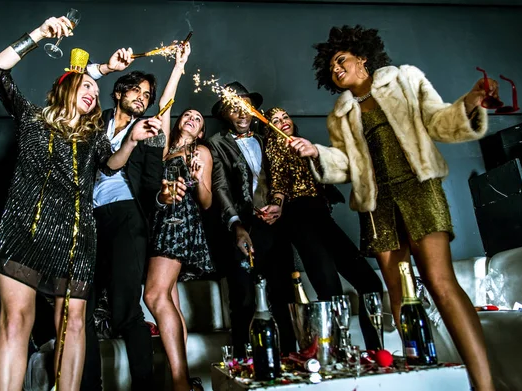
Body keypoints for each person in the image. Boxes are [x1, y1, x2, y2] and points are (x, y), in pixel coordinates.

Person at [291, 25, 495, 390]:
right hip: (376, 204)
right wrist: (316, 153)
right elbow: (345, 165)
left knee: (440, 283)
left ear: (362, 57)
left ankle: (485, 384)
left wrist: (469, 102)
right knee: (399, 295)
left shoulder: (405, 80)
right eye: (331, 68)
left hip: (418, 188)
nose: (336, 70)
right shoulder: (338, 116)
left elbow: (438, 121)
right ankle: (426, 379)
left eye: (342, 60)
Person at [0, 16, 161, 391]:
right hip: (23, 231)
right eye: (86, 87)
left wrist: (131, 141)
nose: (93, 94)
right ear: (65, 88)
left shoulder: (93, 137)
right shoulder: (31, 117)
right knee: (15, 321)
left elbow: (110, 164)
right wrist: (38, 34)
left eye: (96, 93)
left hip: (75, 238)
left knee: (75, 325)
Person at [80, 43, 191, 390]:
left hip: (127, 218)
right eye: (136, 90)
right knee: (79, 312)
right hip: (87, 222)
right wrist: (107, 67)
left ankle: (145, 387)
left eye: (147, 94)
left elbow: (167, 108)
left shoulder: (149, 132)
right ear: (117, 93)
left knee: (126, 310)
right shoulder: (92, 120)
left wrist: (178, 67)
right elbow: (74, 84)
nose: (143, 98)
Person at [263, 106, 384, 351]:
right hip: (298, 217)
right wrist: (277, 204)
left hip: (321, 216)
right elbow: (280, 178)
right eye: (275, 120)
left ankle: (374, 350)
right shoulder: (276, 145)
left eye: (285, 116)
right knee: (330, 289)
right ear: (269, 130)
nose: (283, 121)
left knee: (370, 284)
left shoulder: (303, 144)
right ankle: (336, 356)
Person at [207, 82, 296, 358]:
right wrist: (237, 226)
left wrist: (278, 206)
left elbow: (283, 177)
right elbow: (220, 187)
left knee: (282, 294)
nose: (242, 113)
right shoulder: (217, 143)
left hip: (276, 225)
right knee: (244, 298)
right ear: (225, 113)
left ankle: (290, 359)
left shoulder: (267, 138)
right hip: (242, 228)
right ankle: (243, 363)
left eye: (246, 107)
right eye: (235, 108)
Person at [144, 107, 215, 391]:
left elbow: (207, 202)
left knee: (154, 294)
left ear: (200, 132)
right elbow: (165, 108)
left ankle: (180, 382)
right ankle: (181, 379)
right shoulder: (164, 149)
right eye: (188, 115)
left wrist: (197, 180)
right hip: (158, 220)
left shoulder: (201, 153)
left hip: (179, 222)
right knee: (170, 301)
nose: (192, 119)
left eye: (198, 119)